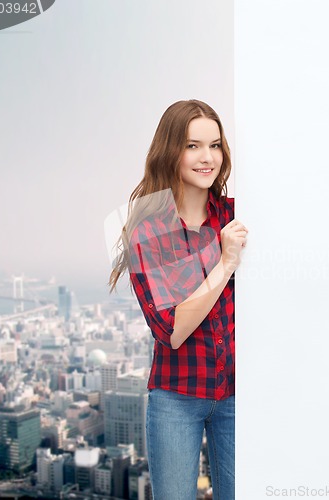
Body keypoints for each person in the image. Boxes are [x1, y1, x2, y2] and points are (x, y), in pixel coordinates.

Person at [108, 99, 248, 500]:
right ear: (171, 150)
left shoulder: (236, 216)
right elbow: (172, 329)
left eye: (216, 145)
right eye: (193, 146)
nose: (208, 158)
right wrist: (224, 263)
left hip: (238, 393)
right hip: (176, 399)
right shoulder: (148, 231)